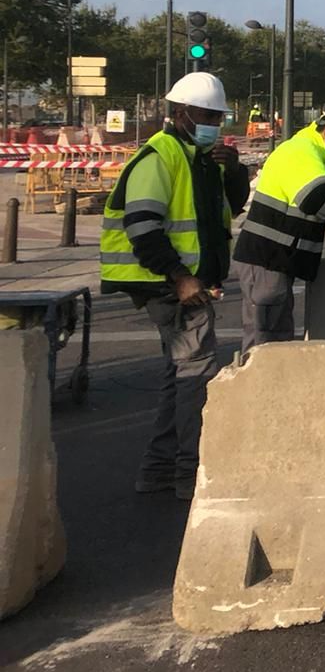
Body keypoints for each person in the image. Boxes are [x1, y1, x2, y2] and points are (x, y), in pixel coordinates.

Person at [99, 72, 249, 500]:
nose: (215, 125)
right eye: (207, 116)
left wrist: (234, 170)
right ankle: (188, 472)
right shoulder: (159, 157)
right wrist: (180, 278)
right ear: (181, 114)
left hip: (186, 281)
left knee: (179, 373)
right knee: (194, 374)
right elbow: (142, 228)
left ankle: (160, 468)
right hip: (165, 283)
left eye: (219, 117)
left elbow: (229, 207)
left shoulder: (199, 160)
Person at [232, 104, 325, 353]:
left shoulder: (314, 157)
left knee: (277, 335)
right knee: (265, 341)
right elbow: (319, 198)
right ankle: (260, 387)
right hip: (267, 260)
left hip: (275, 261)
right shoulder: (300, 152)